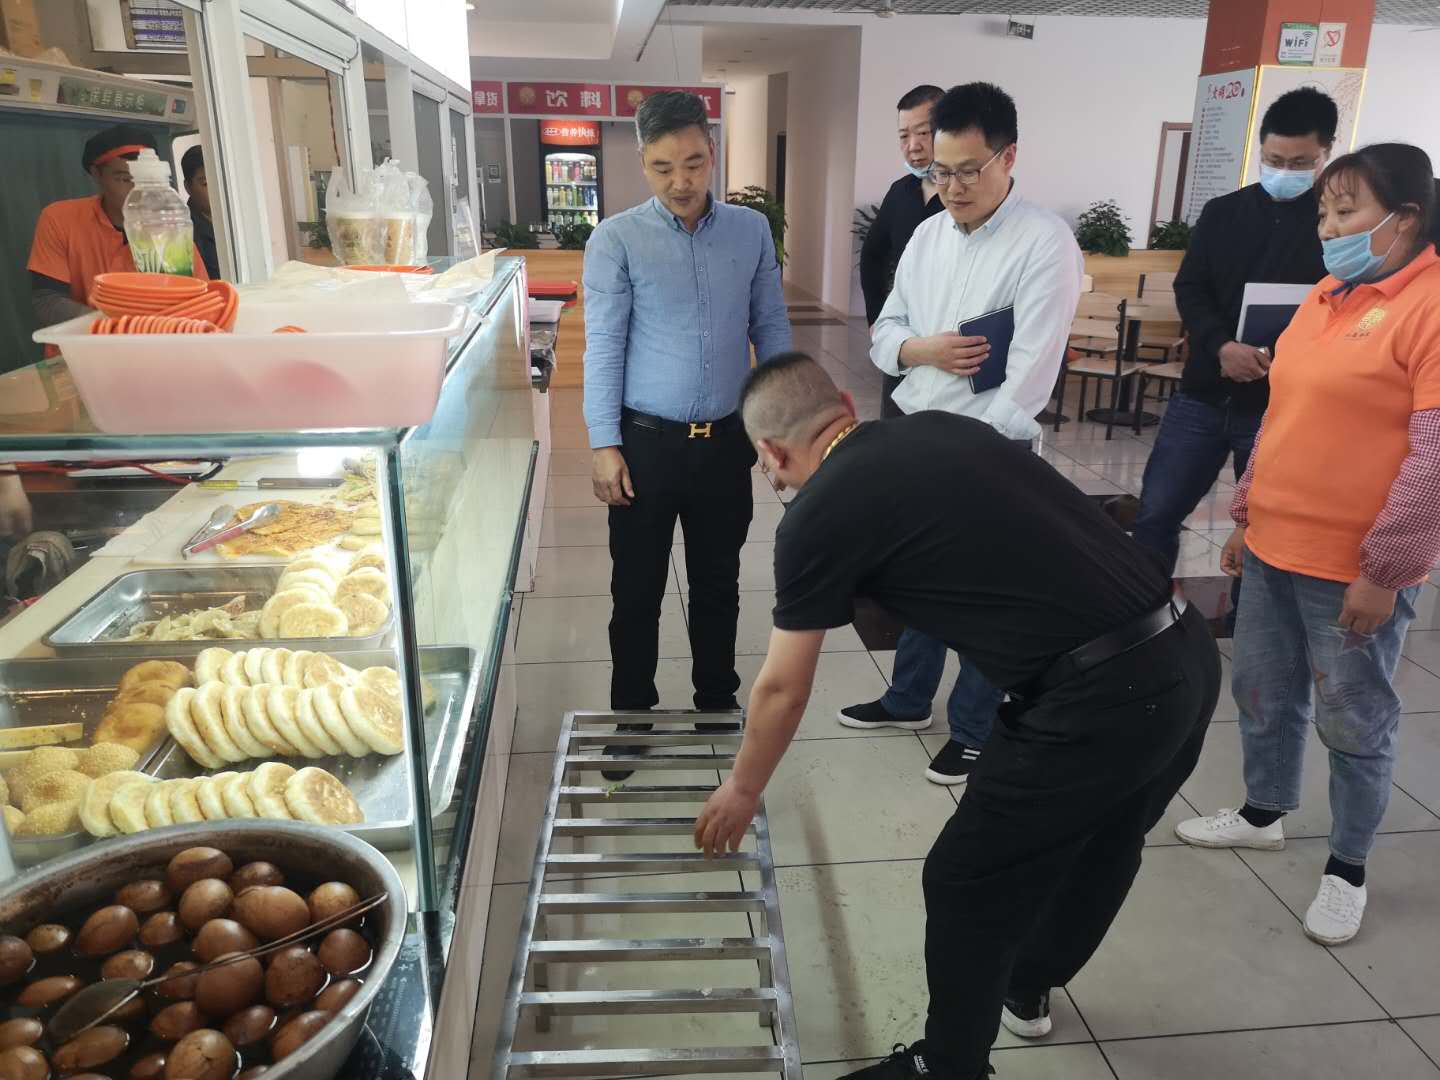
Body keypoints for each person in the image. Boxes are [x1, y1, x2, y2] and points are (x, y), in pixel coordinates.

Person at [695, 353, 1220, 1080]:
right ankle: (1028, 983)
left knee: (964, 880)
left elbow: (783, 687)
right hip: (1187, 652)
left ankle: (949, 1068)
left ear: (771, 452)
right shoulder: (946, 427)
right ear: (845, 401)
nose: (774, 479)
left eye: (768, 467)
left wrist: (743, 788)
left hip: (1099, 701)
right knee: (1106, 842)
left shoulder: (815, 514)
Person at [1177, 143, 1440, 946]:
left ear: (1406, 219)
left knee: (1353, 719)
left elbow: (1433, 457)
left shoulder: (1429, 305)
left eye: (1345, 211)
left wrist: (1386, 571)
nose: (1327, 228)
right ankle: (1263, 812)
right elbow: (1282, 414)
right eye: (1324, 212)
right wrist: (1247, 514)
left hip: (1353, 567)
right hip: (1273, 546)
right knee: (1262, 691)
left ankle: (1347, 866)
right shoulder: (1327, 294)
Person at [841, 82, 1084, 786]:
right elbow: (885, 333)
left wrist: (970, 457)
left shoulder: (1044, 243)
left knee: (984, 594)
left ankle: (976, 731)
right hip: (919, 434)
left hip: (991, 451)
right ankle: (908, 698)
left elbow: (1031, 376)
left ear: (1009, 157)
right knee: (920, 577)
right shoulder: (927, 235)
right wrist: (920, 350)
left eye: (968, 171)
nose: (951, 187)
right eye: (939, 172)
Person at [582, 90, 791, 776]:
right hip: (646, 445)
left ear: (713, 154)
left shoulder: (750, 232)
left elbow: (771, 327)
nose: (681, 181)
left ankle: (716, 701)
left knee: (719, 582)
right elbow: (604, 345)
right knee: (636, 591)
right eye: (664, 166)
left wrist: (781, 425)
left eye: (695, 163)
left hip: (726, 441)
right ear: (643, 162)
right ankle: (631, 716)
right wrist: (603, 442)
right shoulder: (617, 239)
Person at [1131, 88, 1334, 579]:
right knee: (1156, 513)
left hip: (1278, 405)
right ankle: (1141, 608)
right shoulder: (1223, 212)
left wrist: (1269, 354)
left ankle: (1246, 620)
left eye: (1300, 162)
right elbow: (1191, 287)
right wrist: (1221, 345)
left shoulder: (1333, 226)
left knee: (1261, 532)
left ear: (1326, 154)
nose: (1284, 171)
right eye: (1274, 160)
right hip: (1203, 393)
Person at [29, 124, 209, 331]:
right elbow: (47, 300)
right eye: (124, 179)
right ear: (97, 174)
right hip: (83, 344)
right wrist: (116, 327)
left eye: (146, 180)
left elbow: (200, 298)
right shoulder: (60, 219)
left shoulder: (169, 227)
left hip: (156, 341)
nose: (138, 189)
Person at [860, 84, 945, 418]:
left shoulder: (964, 196)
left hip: (949, 341)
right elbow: (873, 255)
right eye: (903, 136)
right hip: (905, 338)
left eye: (923, 132)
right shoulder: (900, 192)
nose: (913, 146)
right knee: (895, 429)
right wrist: (876, 317)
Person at [181, 145, 220, 279]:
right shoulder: (184, 231)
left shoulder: (236, 218)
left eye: (220, 181)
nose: (216, 190)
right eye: (206, 183)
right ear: (188, 187)